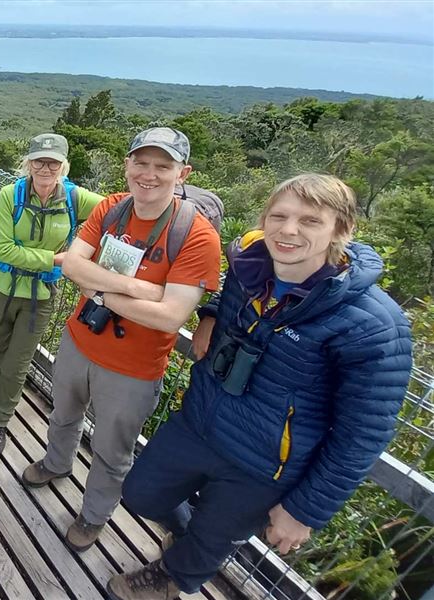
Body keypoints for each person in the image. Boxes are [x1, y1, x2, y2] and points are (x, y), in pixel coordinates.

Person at [108, 174, 413, 600]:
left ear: (341, 229)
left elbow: (362, 435)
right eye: (280, 216)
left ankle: (171, 577)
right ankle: (188, 539)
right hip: (199, 423)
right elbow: (219, 289)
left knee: (213, 539)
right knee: (141, 494)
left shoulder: (373, 326)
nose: (289, 230)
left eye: (310, 221)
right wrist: (212, 312)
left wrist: (304, 511)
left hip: (265, 463)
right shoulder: (250, 267)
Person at [22, 128, 222, 553]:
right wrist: (141, 290)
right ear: (128, 165)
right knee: (63, 415)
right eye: (141, 163)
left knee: (113, 452)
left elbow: (171, 315)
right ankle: (57, 464)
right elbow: (73, 265)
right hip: (80, 339)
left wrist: (100, 289)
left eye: (162, 166)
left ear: (181, 173)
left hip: (134, 368)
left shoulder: (198, 235)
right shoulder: (113, 207)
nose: (149, 174)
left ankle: (93, 515)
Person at [0, 134, 103, 457]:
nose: (45, 167)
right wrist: (55, 259)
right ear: (29, 163)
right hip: (4, 288)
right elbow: (3, 249)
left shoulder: (74, 198)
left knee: (18, 362)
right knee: (0, 348)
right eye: (39, 160)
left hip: (41, 295)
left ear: (63, 166)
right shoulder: (12, 195)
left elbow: (116, 209)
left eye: (52, 162)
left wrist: (82, 256)